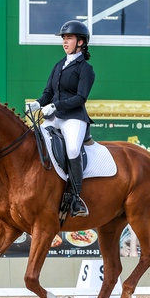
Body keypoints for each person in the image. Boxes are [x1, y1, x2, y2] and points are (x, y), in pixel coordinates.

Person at [26, 20, 95, 217]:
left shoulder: (85, 69)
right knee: (34, 140)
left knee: (73, 148)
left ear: (81, 42)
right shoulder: (59, 64)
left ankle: (75, 198)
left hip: (74, 117)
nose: (65, 42)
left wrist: (56, 106)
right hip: (53, 116)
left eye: (69, 38)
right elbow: (48, 92)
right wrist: (38, 103)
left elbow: (80, 98)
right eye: (64, 39)